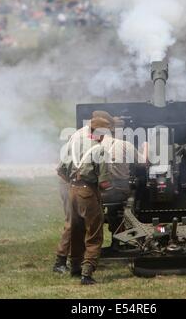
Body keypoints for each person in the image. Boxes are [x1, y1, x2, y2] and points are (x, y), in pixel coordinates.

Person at [52, 111, 115, 274]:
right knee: (93, 232)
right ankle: (85, 270)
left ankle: (73, 266)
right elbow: (104, 182)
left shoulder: (75, 139)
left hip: (70, 186)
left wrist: (75, 184)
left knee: (75, 227)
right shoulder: (99, 149)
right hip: (86, 191)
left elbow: (61, 170)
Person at [101, 117, 146, 248]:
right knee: (135, 196)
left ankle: (112, 243)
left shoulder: (96, 144)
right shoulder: (125, 145)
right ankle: (121, 241)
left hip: (100, 190)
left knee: (113, 210)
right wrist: (145, 148)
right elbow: (143, 163)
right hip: (119, 190)